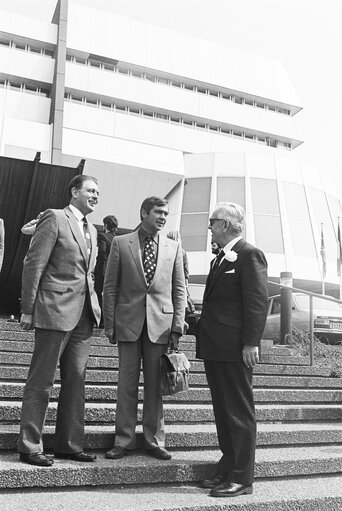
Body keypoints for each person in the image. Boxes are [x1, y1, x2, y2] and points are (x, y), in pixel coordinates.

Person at [18, 175, 101, 467]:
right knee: (41, 381)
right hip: (54, 309)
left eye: (98, 192)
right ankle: (30, 446)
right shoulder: (54, 218)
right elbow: (34, 263)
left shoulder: (92, 228)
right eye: (91, 190)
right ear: (74, 191)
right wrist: (28, 308)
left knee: (76, 381)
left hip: (84, 315)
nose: (95, 195)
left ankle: (69, 444)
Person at [103, 196, 186, 461]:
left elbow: (179, 289)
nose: (163, 217)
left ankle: (154, 440)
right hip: (128, 323)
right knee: (126, 385)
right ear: (143, 213)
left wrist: (177, 325)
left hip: (160, 325)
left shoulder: (174, 248)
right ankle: (123, 440)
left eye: (166, 213)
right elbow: (110, 286)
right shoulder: (120, 243)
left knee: (155, 386)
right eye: (158, 212)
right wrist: (109, 323)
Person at [197, 202, 268, 498]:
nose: (210, 227)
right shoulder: (220, 258)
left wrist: (251, 341)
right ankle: (228, 467)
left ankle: (242, 477)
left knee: (238, 412)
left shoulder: (249, 255)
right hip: (216, 347)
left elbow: (257, 301)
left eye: (212, 222)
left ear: (226, 225)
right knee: (223, 412)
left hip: (235, 347)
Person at [94, 214, 118, 323]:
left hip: (103, 268)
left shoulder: (102, 236)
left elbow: (102, 252)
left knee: (98, 293)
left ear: (105, 225)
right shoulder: (117, 239)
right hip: (114, 270)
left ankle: (100, 320)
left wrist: (96, 267)